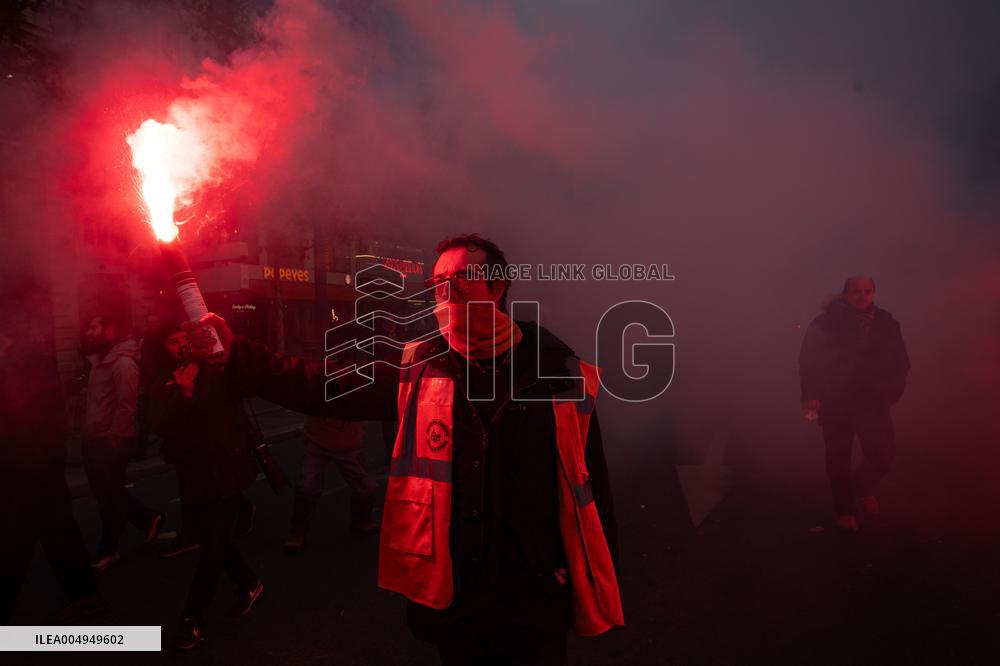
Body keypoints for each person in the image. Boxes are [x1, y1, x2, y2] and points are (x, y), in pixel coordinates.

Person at [188, 233, 623, 664]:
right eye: (437, 281)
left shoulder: (559, 376)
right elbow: (323, 385)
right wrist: (238, 354)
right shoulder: (417, 367)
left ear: (498, 287)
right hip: (456, 598)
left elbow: (591, 492)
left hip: (533, 595)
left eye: (462, 277)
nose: (446, 289)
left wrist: (589, 578)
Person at [148, 322, 264, 650]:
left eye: (186, 338)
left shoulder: (217, 370)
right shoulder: (163, 382)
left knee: (212, 548)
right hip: (194, 476)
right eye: (173, 340)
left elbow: (242, 394)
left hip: (226, 472)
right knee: (212, 540)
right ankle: (249, 580)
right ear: (163, 349)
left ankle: (191, 618)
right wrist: (183, 396)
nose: (182, 345)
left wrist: (222, 353)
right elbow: (162, 427)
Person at [0, 279, 107, 624]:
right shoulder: (27, 357)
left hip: (27, 463)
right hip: (36, 460)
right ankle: (86, 596)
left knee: (15, 539)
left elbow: (22, 413)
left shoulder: (22, 362)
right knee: (56, 530)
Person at [799, 276, 910, 533]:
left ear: (874, 294)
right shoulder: (826, 323)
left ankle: (860, 488)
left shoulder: (886, 322)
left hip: (874, 400)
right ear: (846, 294)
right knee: (838, 457)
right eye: (857, 292)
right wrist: (811, 393)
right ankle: (844, 508)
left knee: (883, 455)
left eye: (867, 292)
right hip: (836, 400)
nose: (862, 296)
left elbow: (901, 360)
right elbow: (809, 360)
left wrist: (893, 390)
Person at [80, 313, 164, 571]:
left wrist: (114, 438)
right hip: (92, 439)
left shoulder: (123, 364)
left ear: (110, 330)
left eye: (94, 326)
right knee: (108, 493)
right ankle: (149, 518)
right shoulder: (98, 362)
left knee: (110, 497)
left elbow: (126, 406)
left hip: (110, 440)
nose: (88, 332)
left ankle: (109, 549)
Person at [285, 416, 377, 554]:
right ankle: (298, 532)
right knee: (307, 487)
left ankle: (362, 520)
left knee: (367, 486)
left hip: (349, 443)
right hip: (318, 442)